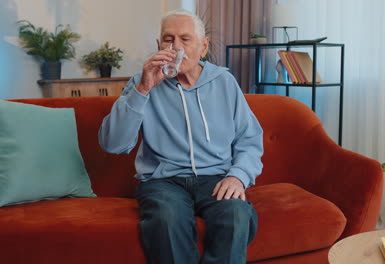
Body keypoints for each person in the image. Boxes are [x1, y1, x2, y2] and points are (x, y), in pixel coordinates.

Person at [98, 9, 264, 264]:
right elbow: (113, 144)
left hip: (216, 177)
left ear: (203, 46)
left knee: (237, 215)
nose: (176, 47)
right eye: (168, 39)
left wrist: (238, 176)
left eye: (185, 40)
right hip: (163, 181)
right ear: (158, 46)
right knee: (166, 219)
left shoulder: (225, 83)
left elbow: (249, 139)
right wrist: (143, 89)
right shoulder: (141, 83)